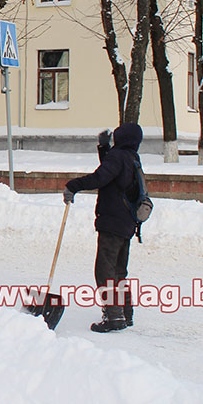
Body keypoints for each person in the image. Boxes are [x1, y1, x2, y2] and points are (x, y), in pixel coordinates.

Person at [63, 123, 144, 333]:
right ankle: (125, 313)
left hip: (113, 221)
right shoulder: (131, 157)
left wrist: (73, 185)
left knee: (105, 270)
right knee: (119, 271)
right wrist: (104, 149)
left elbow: (101, 177)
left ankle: (113, 317)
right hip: (127, 222)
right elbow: (112, 173)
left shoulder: (119, 157)